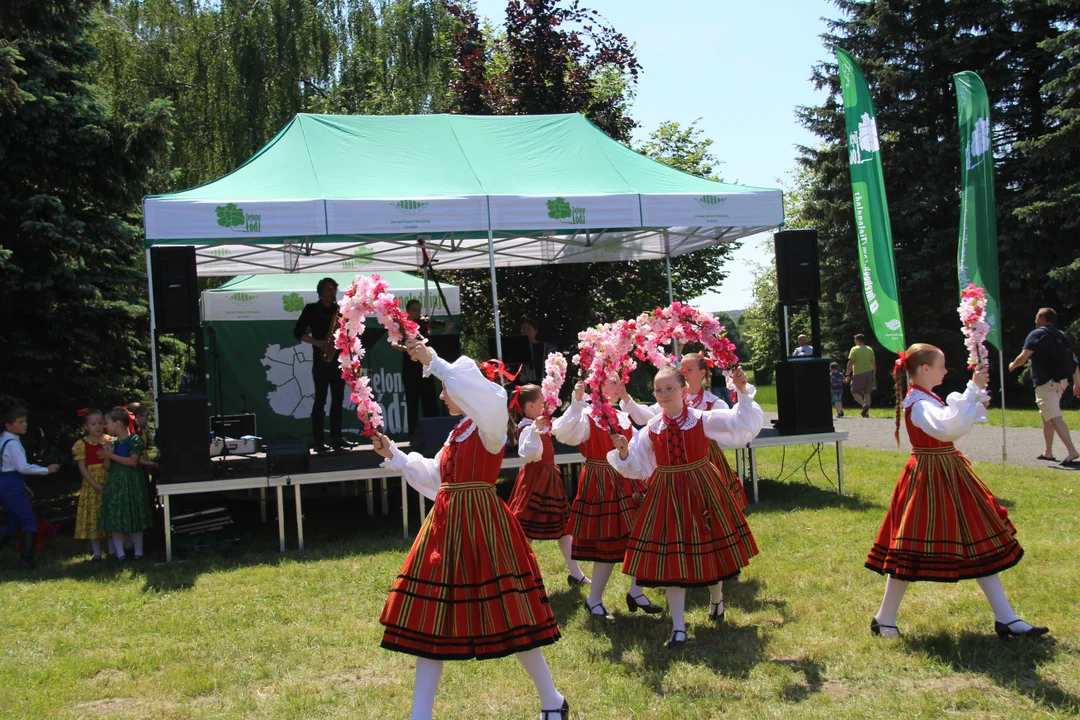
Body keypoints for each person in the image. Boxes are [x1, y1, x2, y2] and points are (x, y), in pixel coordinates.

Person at [369, 340, 567, 720]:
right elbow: (435, 476)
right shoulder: (458, 433)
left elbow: (490, 397)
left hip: (482, 525)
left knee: (511, 612)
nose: (443, 395)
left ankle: (552, 699)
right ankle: (420, 715)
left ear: (469, 388)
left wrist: (433, 360)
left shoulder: (490, 423)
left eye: (448, 388)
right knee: (435, 615)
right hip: (447, 523)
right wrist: (392, 453)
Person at [866, 344, 1048, 640]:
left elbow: (954, 428)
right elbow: (948, 427)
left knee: (979, 541)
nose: (944, 370)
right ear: (925, 369)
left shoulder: (926, 398)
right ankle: (884, 618)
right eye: (941, 365)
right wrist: (971, 390)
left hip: (948, 471)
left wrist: (972, 400)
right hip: (930, 476)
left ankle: (1006, 618)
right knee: (910, 550)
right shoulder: (919, 401)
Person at [608, 366, 763, 647]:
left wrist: (741, 393)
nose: (664, 394)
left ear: (683, 390)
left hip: (702, 489)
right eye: (658, 390)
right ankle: (678, 627)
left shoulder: (702, 419)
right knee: (672, 560)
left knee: (710, 551)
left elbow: (739, 426)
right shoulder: (652, 428)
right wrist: (622, 451)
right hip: (667, 494)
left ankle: (716, 598)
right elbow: (638, 465)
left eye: (669, 388)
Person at [552, 378, 661, 620]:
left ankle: (636, 591)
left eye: (620, 382)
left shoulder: (621, 416)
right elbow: (561, 433)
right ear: (599, 387)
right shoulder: (588, 415)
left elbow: (636, 446)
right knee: (608, 543)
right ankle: (594, 599)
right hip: (601, 481)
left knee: (640, 536)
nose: (619, 387)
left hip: (625, 477)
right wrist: (576, 404)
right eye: (613, 382)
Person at [621, 353, 750, 508]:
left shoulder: (709, 407)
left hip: (703, 466)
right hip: (668, 480)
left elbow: (736, 423)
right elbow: (644, 427)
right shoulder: (656, 422)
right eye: (682, 369)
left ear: (701, 373)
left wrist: (743, 392)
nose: (684, 373)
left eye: (689, 369)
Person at [506, 384, 588, 584]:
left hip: (549, 479)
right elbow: (527, 454)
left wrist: (575, 401)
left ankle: (576, 574)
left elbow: (561, 424)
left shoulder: (538, 423)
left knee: (563, 530)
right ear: (532, 406)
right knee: (525, 529)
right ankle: (516, 574)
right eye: (542, 402)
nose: (545, 405)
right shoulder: (527, 426)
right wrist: (535, 432)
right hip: (535, 481)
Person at [1008, 307, 1080, 465]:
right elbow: (1073, 361)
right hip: (1061, 382)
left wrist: (1013, 365)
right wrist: (1077, 383)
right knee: (1047, 415)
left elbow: (1024, 356)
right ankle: (1048, 452)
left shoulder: (1037, 334)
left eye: (1036, 316)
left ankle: (1072, 451)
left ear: (1042, 318)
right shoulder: (1062, 335)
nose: (1035, 320)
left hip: (1045, 383)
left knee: (1053, 416)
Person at [0, 405, 60, 569]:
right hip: (11, 485)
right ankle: (26, 561)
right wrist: (46, 470)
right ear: (9, 426)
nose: (25, 424)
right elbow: (22, 467)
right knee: (28, 521)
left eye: (25, 421)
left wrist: (23, 485)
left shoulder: (3, 440)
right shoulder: (12, 443)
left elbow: (7, 466)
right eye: (20, 422)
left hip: (7, 483)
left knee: (13, 522)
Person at [293, 277, 348, 453]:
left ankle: (336, 438)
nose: (333, 293)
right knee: (321, 400)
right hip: (321, 360)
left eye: (334, 290)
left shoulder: (339, 310)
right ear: (321, 291)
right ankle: (318, 441)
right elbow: (297, 332)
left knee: (338, 399)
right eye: (330, 289)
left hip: (337, 360)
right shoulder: (311, 309)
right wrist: (317, 342)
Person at [98, 407, 152, 561]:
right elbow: (106, 468)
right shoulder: (112, 442)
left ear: (117, 424)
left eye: (107, 423)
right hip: (115, 483)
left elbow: (133, 462)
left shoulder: (134, 440)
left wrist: (111, 455)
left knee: (134, 514)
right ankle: (120, 554)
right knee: (116, 516)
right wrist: (107, 456)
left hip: (131, 481)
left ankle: (138, 552)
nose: (105, 427)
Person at [390, 299, 442, 436]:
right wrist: (408, 349)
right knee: (412, 402)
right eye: (414, 310)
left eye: (419, 310)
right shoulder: (400, 325)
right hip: (410, 368)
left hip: (424, 367)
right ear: (407, 311)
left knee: (430, 401)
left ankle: (435, 433)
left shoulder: (423, 325)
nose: (417, 313)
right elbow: (394, 344)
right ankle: (414, 436)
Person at [73, 409, 109, 561]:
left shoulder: (109, 441)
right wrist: (94, 484)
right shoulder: (82, 444)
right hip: (92, 483)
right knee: (94, 515)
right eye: (93, 424)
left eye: (100, 423)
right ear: (86, 426)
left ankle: (114, 549)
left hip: (109, 480)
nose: (98, 427)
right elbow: (82, 468)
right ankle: (97, 552)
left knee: (109, 513)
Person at [846, 333, 877, 417]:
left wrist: (847, 374)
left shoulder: (854, 349)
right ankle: (866, 412)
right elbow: (873, 362)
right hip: (869, 372)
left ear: (857, 340)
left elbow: (850, 362)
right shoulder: (869, 349)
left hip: (858, 373)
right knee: (867, 393)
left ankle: (864, 405)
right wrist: (874, 374)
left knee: (854, 391)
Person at [520, 318, 557, 383]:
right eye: (523, 328)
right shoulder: (517, 347)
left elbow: (553, 366)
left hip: (543, 383)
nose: (525, 331)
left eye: (528, 329)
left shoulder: (548, 348)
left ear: (535, 331)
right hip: (523, 383)